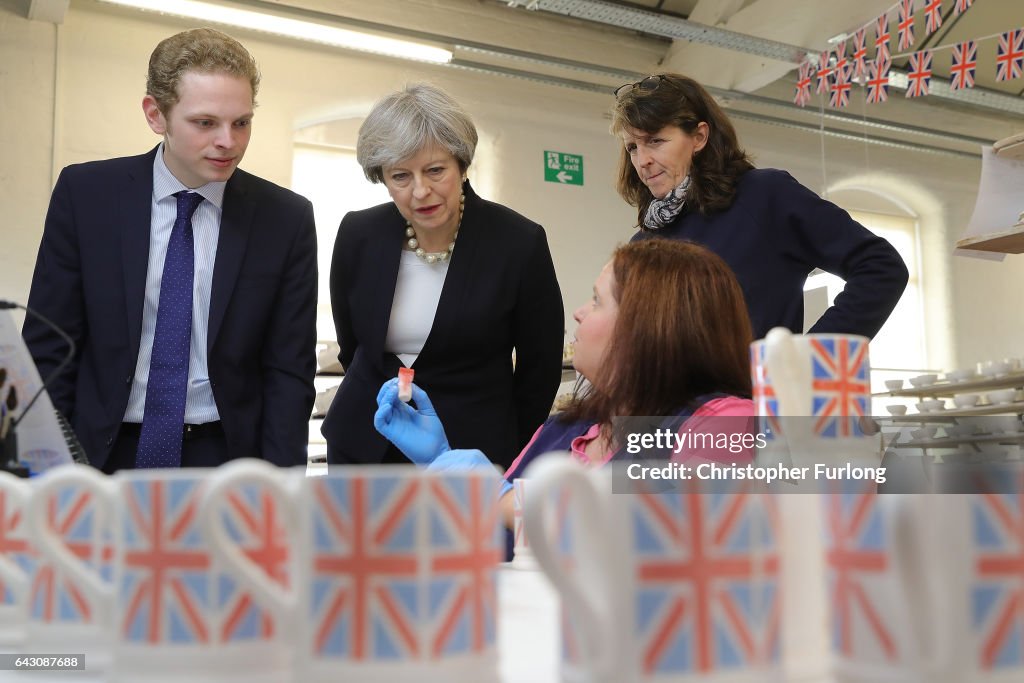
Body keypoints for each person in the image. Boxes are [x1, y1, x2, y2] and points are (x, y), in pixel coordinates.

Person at [22, 28, 318, 471]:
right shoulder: (87, 196)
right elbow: (50, 347)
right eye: (205, 123)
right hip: (98, 451)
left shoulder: (285, 219)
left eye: (241, 122)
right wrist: (44, 467)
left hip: (226, 457)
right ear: (155, 115)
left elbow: (289, 371)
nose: (228, 141)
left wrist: (281, 487)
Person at [374, 238, 756, 524]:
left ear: (653, 326)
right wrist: (442, 463)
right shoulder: (564, 429)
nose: (578, 313)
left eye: (596, 300)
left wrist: (503, 501)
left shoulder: (730, 421)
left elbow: (667, 535)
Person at [323, 84, 564, 469]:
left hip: (470, 451)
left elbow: (541, 368)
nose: (421, 191)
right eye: (401, 176)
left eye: (436, 170)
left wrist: (514, 455)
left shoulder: (518, 242)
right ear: (381, 177)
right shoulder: (358, 234)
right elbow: (353, 348)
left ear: (462, 165)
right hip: (365, 444)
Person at [611, 73, 909, 340]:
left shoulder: (764, 197)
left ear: (699, 137)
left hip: (756, 401)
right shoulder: (645, 242)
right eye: (632, 147)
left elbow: (881, 267)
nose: (642, 160)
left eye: (655, 141)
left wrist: (809, 357)